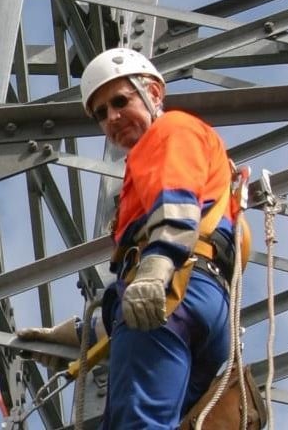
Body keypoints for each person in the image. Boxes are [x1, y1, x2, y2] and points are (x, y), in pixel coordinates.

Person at [17, 48, 248, 429]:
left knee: (136, 422)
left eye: (120, 101)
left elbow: (176, 204)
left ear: (154, 92)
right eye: (101, 113)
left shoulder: (169, 130)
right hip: (206, 305)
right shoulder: (188, 149)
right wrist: (85, 335)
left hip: (175, 289)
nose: (112, 118)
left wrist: (156, 268)